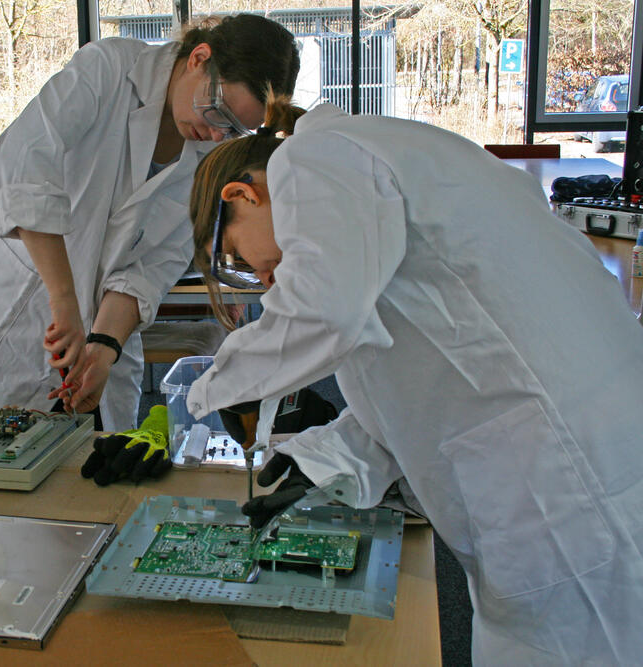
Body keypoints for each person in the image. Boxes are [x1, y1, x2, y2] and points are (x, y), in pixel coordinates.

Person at [185, 99, 643, 664]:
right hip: (569, 457)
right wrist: (326, 459)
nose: (257, 274)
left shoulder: (313, 159)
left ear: (241, 195)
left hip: (568, 488)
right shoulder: (378, 177)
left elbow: (324, 314)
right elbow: (413, 382)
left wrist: (213, 389)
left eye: (236, 254)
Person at [0, 15, 300, 430]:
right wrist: (65, 301)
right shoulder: (109, 70)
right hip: (9, 320)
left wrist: (104, 347)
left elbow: (151, 267)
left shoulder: (204, 157)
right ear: (199, 58)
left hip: (100, 345)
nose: (218, 136)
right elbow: (23, 168)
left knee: (87, 478)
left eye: (234, 129)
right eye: (218, 111)